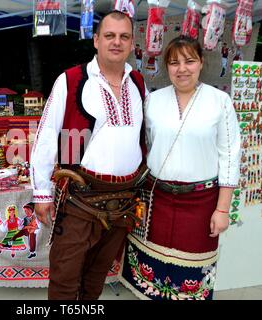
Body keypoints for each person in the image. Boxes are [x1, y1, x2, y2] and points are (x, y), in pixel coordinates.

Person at [30, 10, 147, 300]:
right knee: (65, 279)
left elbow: (145, 137)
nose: (116, 42)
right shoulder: (71, 80)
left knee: (96, 278)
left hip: (123, 202)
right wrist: (42, 194)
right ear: (96, 40)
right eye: (109, 36)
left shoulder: (139, 84)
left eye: (123, 36)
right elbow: (45, 138)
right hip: (80, 199)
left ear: (132, 43)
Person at [125, 36, 240, 300]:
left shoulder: (219, 101)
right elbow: (146, 146)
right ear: (167, 67)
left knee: (191, 275)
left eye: (189, 61)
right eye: (174, 62)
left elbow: (231, 155)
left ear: (201, 63)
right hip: (157, 199)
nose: (182, 69)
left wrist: (222, 209)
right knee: (152, 273)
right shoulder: (153, 101)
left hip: (202, 201)